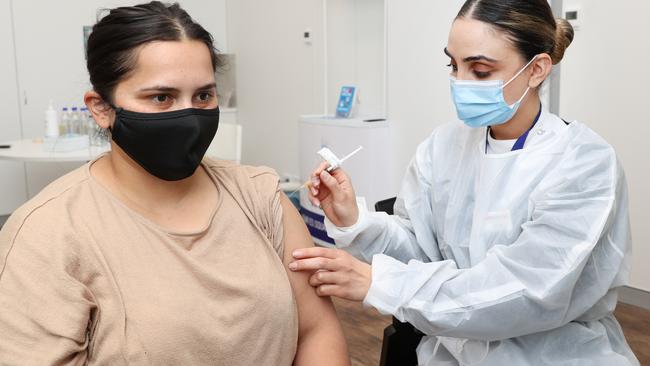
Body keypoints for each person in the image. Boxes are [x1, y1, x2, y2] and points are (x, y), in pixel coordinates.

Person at [289, 0, 640, 365]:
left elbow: (526, 292)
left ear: (536, 69)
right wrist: (354, 222)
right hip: (452, 353)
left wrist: (380, 282)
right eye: (453, 65)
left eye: (481, 70)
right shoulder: (443, 148)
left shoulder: (584, 163)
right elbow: (420, 251)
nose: (460, 83)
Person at [0, 2, 350, 365]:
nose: (189, 117)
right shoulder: (47, 235)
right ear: (101, 108)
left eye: (203, 96)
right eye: (161, 97)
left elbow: (317, 332)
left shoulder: (259, 196)